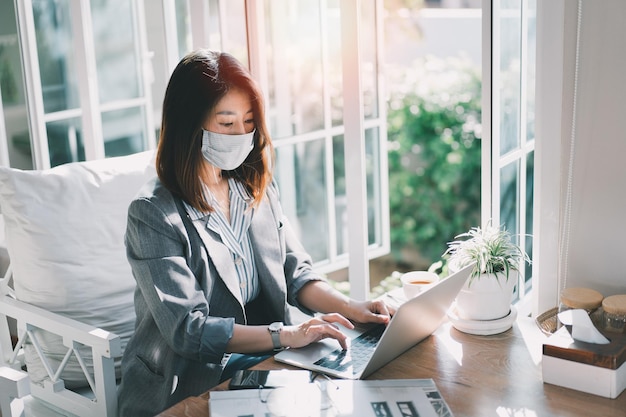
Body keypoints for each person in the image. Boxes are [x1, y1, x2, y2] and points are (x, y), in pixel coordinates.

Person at [116, 49, 394, 416]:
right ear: (188, 125)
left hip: (269, 363)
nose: (242, 134)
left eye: (249, 122)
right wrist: (285, 335)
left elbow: (296, 273)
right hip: (189, 383)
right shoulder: (152, 213)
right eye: (227, 124)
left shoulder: (252, 187)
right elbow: (189, 330)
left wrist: (349, 307)